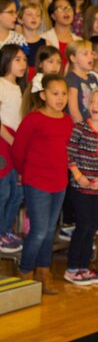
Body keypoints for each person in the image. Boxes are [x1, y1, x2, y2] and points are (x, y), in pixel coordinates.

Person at [11, 73, 73, 294]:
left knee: (49, 230)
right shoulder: (34, 119)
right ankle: (25, 273)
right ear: (44, 95)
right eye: (55, 94)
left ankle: (44, 273)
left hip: (59, 182)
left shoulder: (67, 121)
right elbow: (18, 150)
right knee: (38, 231)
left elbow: (69, 151)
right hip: (36, 181)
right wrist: (22, 173)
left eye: (64, 94)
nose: (60, 98)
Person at [64, 90, 98, 285]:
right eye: (93, 101)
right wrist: (79, 176)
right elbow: (69, 154)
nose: (95, 105)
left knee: (93, 227)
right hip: (80, 188)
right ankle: (72, 268)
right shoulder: (80, 128)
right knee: (83, 226)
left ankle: (84, 267)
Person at [0, 44, 26, 253]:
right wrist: (12, 141)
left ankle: (5, 229)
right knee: (4, 190)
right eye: (17, 59)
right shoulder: (1, 84)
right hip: (3, 142)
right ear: (6, 60)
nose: (23, 64)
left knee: (18, 192)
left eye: (24, 60)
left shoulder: (20, 88)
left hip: (15, 142)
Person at [41, 0, 79, 69]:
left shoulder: (79, 41)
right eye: (61, 8)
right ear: (53, 16)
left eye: (69, 8)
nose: (66, 12)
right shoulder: (44, 39)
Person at [65, 40, 98, 123]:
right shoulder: (71, 78)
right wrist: (82, 129)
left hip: (93, 124)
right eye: (85, 54)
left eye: (91, 53)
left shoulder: (93, 78)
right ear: (73, 58)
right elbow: (74, 111)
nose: (91, 57)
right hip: (81, 128)